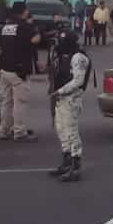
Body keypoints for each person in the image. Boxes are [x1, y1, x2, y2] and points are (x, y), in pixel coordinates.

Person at [45, 29, 92, 182]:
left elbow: (78, 81)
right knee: (61, 129)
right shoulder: (63, 54)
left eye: (62, 41)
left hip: (71, 98)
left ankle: (75, 166)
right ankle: (66, 162)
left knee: (71, 131)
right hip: (61, 97)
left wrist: (61, 91)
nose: (59, 44)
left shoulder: (78, 57)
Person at [0, 1, 42, 141]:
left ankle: (4, 130)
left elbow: (0, 47)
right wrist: (38, 33)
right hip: (19, 71)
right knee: (20, 102)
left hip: (5, 69)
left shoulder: (5, 27)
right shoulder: (25, 27)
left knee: (7, 102)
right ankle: (20, 132)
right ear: (24, 12)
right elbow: (35, 40)